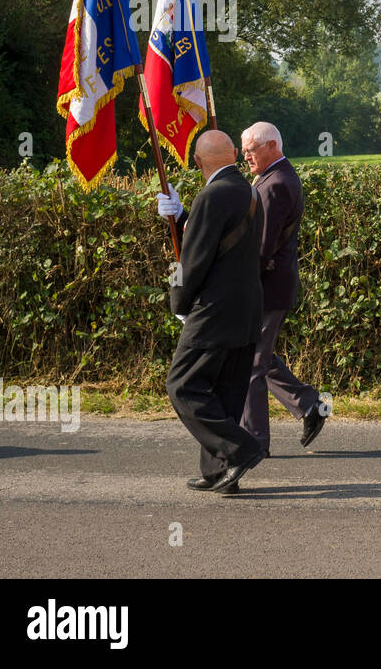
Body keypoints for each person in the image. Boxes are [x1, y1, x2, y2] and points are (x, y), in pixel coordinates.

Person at [157, 130, 265, 495]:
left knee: (182, 385)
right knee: (225, 391)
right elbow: (223, 246)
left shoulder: (211, 195)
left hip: (214, 312)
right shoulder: (250, 192)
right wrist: (184, 214)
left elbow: (193, 259)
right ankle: (219, 470)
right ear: (234, 153)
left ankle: (242, 448)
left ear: (198, 162)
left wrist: (179, 302)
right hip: (247, 308)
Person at [238, 122, 325, 454]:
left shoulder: (275, 183)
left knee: (251, 362)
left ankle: (255, 440)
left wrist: (241, 282)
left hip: (267, 285)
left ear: (272, 145)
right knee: (256, 353)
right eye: (243, 150)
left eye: (251, 149)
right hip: (270, 282)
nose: (246, 156)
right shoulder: (272, 177)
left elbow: (262, 246)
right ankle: (308, 404)